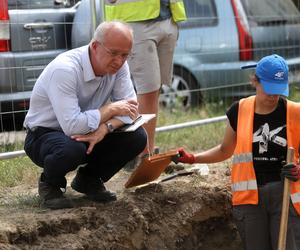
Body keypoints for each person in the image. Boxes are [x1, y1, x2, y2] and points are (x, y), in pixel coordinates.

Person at [177, 54, 300, 250]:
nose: (273, 96)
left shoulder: (295, 112)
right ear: (254, 81)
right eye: (268, 89)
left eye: (278, 90)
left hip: (285, 195)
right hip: (250, 199)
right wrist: (193, 158)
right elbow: (225, 150)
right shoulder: (239, 111)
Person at [23, 21, 147, 209]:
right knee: (71, 149)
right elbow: (72, 126)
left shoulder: (120, 66)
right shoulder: (65, 69)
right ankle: (50, 183)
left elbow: (131, 111)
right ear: (95, 46)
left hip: (90, 129)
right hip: (44, 135)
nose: (119, 61)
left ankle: (89, 180)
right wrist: (111, 109)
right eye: (114, 53)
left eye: (125, 55)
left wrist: (105, 128)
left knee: (137, 137)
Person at [104, 0, 186, 157]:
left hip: (168, 16)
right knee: (148, 90)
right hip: (136, 20)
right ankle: (142, 154)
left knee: (155, 89)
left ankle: (148, 151)